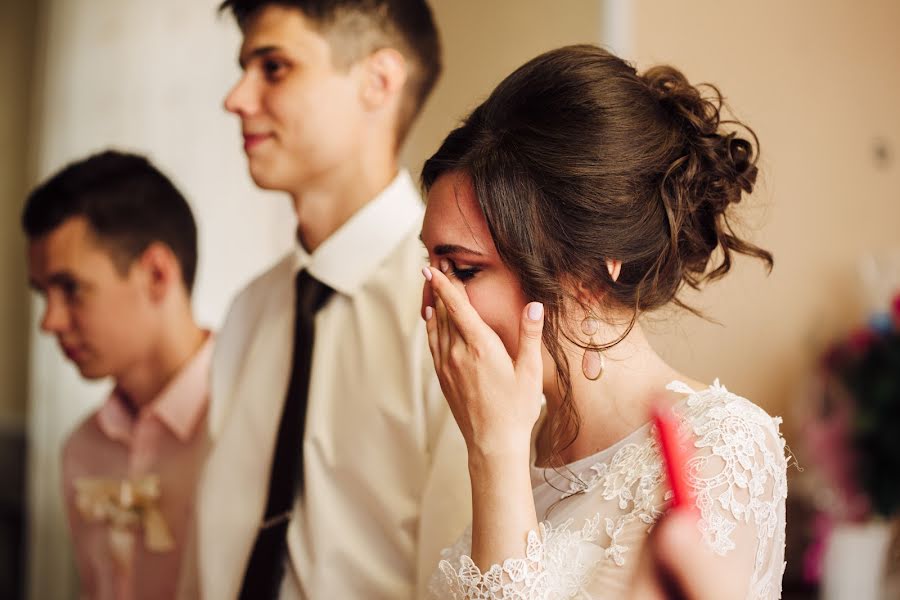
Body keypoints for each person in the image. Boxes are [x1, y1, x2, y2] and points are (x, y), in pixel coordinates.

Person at [419, 44, 788, 599]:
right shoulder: (508, 431)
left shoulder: (719, 449)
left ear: (589, 272)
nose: (436, 300)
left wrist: (495, 455)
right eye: (432, 268)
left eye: (464, 270)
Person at [194, 1, 470, 599]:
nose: (236, 98)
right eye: (244, 68)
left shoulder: (453, 308)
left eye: (274, 67)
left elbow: (460, 565)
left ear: (378, 81)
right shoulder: (249, 312)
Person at [23, 150, 213, 600]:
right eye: (43, 294)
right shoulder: (81, 449)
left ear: (156, 273)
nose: (49, 321)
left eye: (70, 288)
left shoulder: (246, 421)